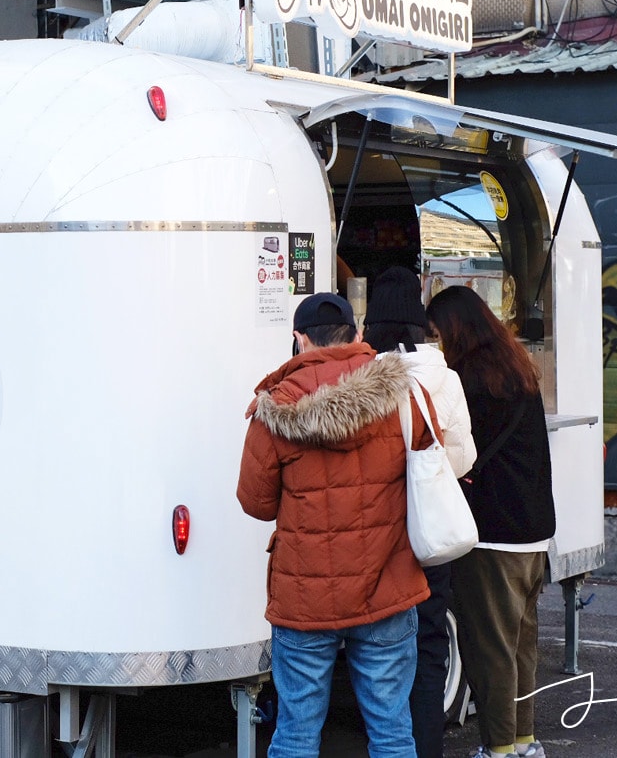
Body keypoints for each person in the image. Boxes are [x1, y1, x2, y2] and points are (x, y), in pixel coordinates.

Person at [237, 292, 430, 758]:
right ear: (358, 336)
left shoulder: (274, 410)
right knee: (392, 733)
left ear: (299, 340)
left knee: (296, 735)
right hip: (389, 586)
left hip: (305, 600)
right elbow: (433, 464)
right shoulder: (404, 393)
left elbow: (257, 503)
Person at [425, 285, 554, 758]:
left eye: (437, 333)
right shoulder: (517, 368)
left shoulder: (467, 380)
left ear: (454, 329)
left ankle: (499, 748)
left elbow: (459, 456)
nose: (435, 343)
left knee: (491, 650)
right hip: (534, 530)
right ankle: (523, 741)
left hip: (493, 533)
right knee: (521, 647)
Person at [363, 267, 476, 758]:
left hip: (376, 531)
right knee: (430, 642)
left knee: (376, 649)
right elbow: (463, 458)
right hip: (428, 531)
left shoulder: (362, 376)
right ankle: (425, 747)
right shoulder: (443, 376)